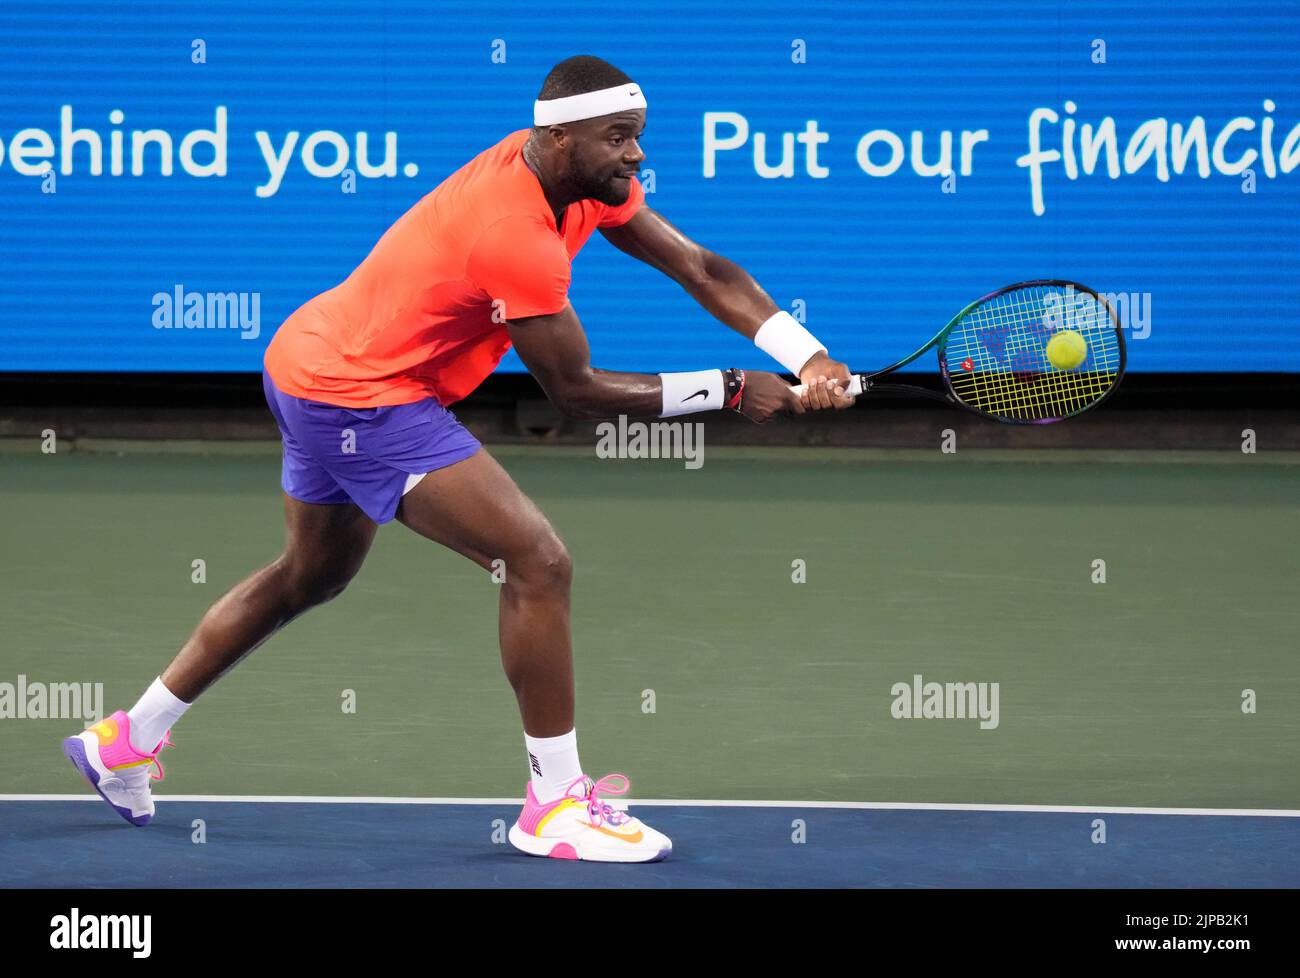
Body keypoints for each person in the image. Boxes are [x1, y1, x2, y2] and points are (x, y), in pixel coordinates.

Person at [62, 54, 854, 864]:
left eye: (637, 137)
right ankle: (554, 805)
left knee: (312, 574)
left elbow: (702, 267)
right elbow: (574, 392)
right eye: (619, 138)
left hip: (305, 362)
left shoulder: (579, 182)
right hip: (360, 394)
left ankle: (126, 740)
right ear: (562, 138)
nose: (636, 155)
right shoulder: (513, 232)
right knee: (536, 561)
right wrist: (728, 391)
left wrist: (809, 356)